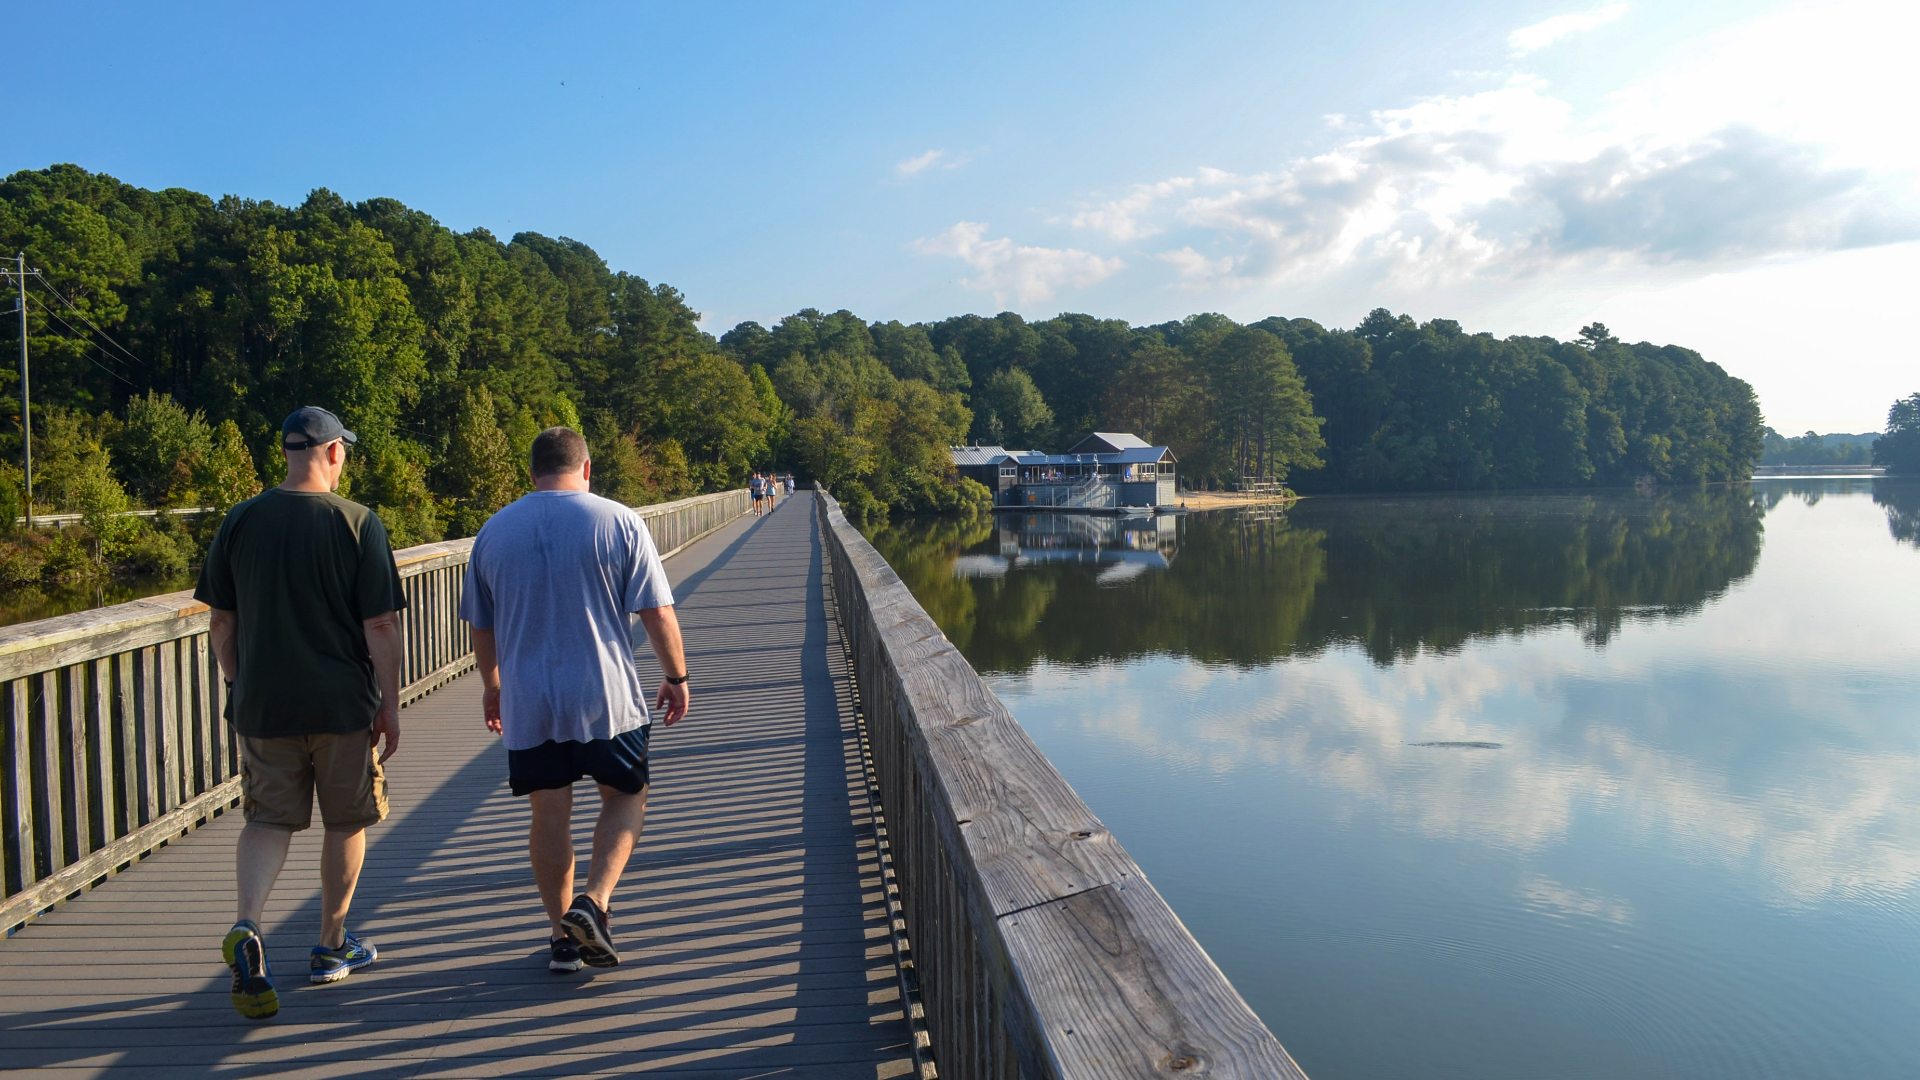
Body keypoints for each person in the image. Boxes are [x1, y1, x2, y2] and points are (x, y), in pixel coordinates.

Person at [195, 405, 405, 1020]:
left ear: (288, 451)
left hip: (264, 706)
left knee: (267, 821)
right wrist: (389, 705)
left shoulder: (241, 520)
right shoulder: (357, 522)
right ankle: (330, 946)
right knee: (346, 821)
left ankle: (249, 927)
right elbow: (381, 624)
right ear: (334, 451)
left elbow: (221, 620)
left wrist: (240, 679)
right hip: (341, 705)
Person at [460, 427, 691, 973]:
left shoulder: (494, 532)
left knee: (549, 811)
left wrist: (493, 687)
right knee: (626, 794)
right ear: (586, 468)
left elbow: (483, 627)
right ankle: (594, 902)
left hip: (529, 699)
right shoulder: (618, 521)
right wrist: (676, 677)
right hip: (604, 694)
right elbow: (656, 612)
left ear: (532, 472)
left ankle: (561, 937)